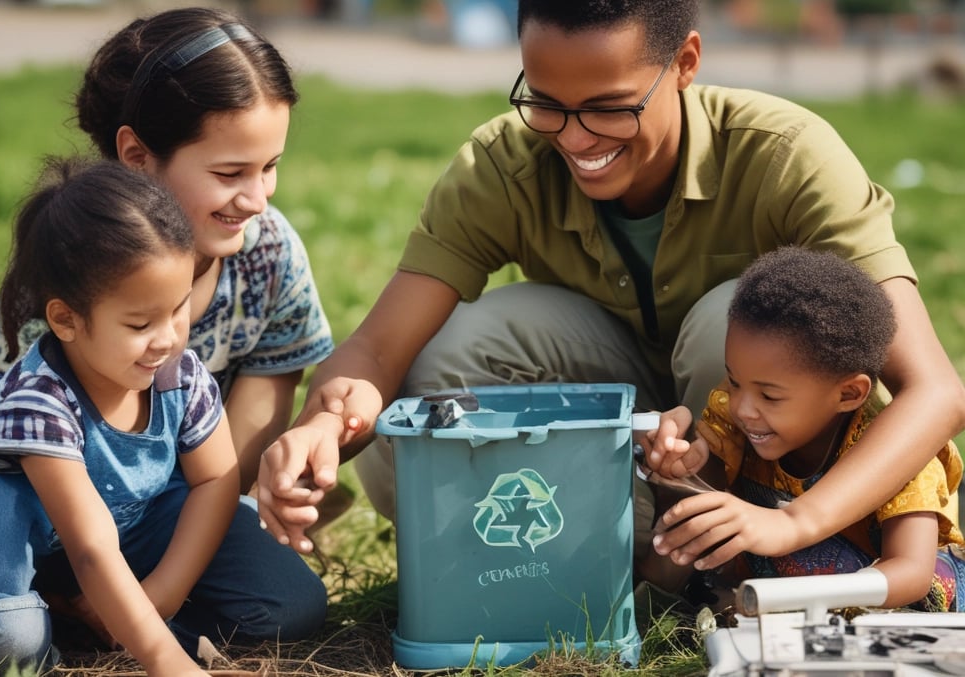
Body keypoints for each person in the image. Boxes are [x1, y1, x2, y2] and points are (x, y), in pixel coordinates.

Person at [256, 0, 965, 569]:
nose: (574, 137)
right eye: (546, 102)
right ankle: (567, 555)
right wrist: (321, 427)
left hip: (764, 478)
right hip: (622, 434)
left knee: (737, 319)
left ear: (686, 62)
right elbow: (379, 350)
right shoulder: (503, 165)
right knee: (439, 365)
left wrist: (797, 520)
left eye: (609, 106)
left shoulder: (786, 154)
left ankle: (724, 553)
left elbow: (933, 389)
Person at [0, 5, 331, 656]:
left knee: (286, 603)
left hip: (157, 499)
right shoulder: (72, 261)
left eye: (270, 167)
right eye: (230, 172)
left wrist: (164, 587)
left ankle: (103, 621)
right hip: (39, 503)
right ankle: (27, 614)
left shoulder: (268, 252)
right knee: (7, 627)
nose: (259, 197)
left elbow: (235, 447)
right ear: (136, 155)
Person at [0, 157, 240, 676]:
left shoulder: (179, 374)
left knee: (281, 599)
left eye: (179, 308)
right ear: (66, 319)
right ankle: (16, 621)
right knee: (5, 639)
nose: (168, 338)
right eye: (140, 322)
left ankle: (82, 612)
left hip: (83, 545)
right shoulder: (38, 399)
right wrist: (168, 664)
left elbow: (217, 476)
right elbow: (92, 548)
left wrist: (163, 592)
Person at [640, 246, 965, 611]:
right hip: (781, 591)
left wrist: (798, 603)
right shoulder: (734, 417)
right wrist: (680, 465)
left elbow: (911, 575)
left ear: (849, 393)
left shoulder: (902, 457)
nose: (742, 408)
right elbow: (693, 534)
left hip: (889, 603)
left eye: (770, 396)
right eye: (734, 382)